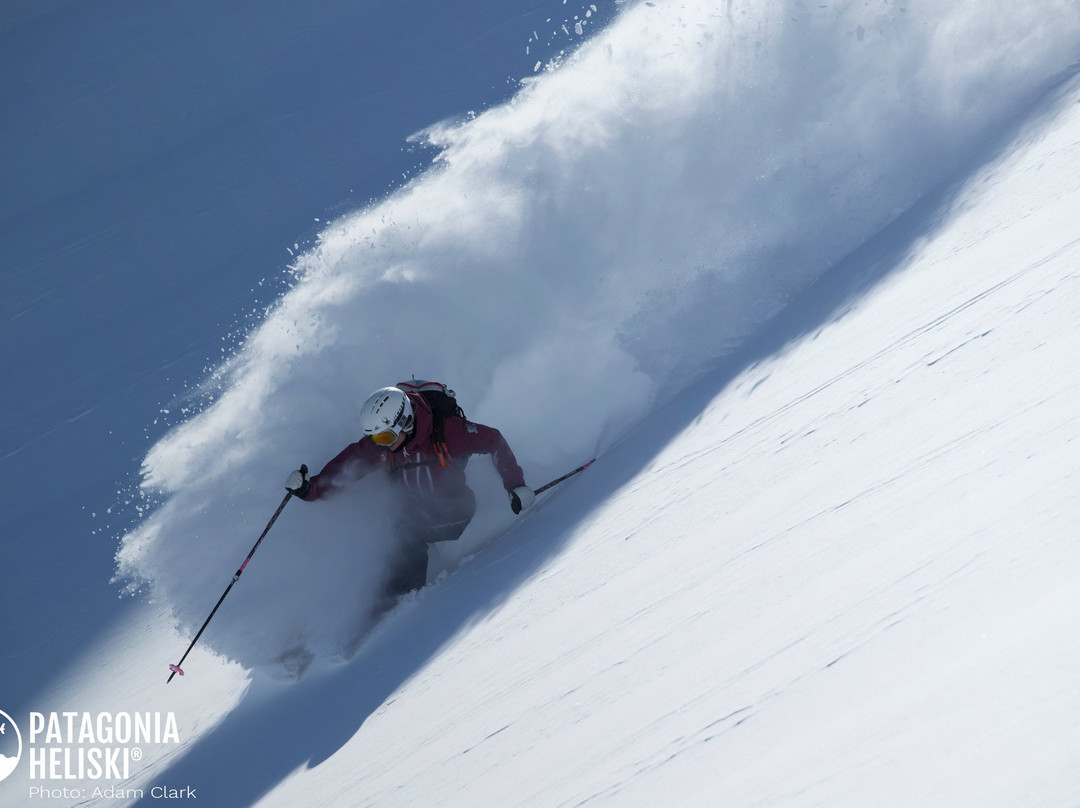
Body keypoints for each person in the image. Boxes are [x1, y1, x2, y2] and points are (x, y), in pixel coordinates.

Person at [285, 385, 535, 608]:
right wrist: (310, 488)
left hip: (455, 509)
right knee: (385, 533)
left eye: (384, 437)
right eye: (374, 438)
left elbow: (493, 441)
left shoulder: (447, 432)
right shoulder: (385, 445)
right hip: (416, 512)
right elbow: (348, 466)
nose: (379, 445)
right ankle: (371, 602)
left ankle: (400, 608)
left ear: (404, 421)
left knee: (406, 536)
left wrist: (516, 486)